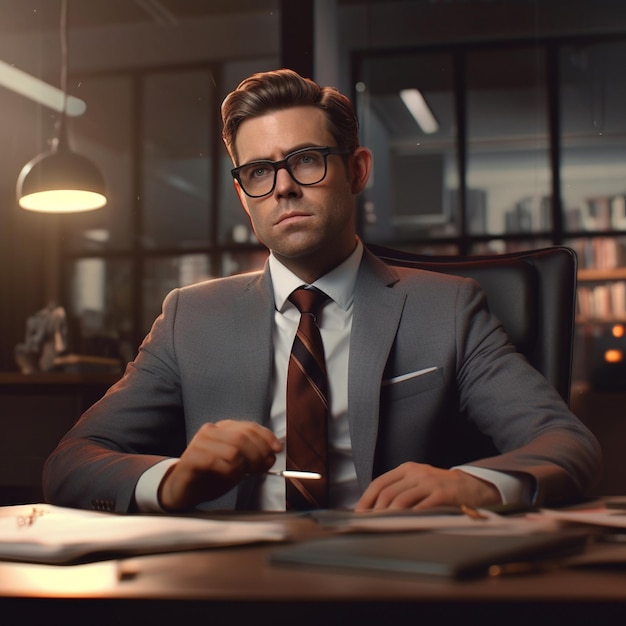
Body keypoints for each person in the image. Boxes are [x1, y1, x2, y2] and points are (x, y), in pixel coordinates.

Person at [43, 68, 602, 514]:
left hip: (388, 579)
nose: (283, 186)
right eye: (258, 171)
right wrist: (170, 480)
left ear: (357, 170)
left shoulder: (449, 307)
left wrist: (478, 486)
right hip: (225, 581)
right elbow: (71, 462)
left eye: (306, 161)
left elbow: (567, 446)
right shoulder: (191, 316)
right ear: (244, 197)